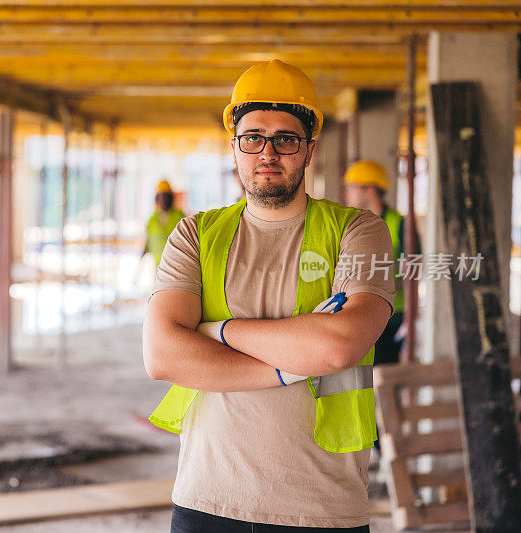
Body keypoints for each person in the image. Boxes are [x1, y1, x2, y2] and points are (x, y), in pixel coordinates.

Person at [143, 59, 395, 532]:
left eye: (286, 138)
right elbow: (161, 356)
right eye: (253, 136)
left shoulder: (358, 231)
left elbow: (337, 346)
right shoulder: (196, 234)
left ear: (309, 148)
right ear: (235, 147)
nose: (268, 152)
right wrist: (289, 365)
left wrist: (215, 331)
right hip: (205, 500)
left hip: (320, 506)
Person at [343, 160, 416, 367]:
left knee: (381, 376)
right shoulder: (351, 222)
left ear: (371, 190)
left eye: (351, 187)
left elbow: (412, 273)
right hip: (354, 311)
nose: (346, 193)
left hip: (390, 316)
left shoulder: (399, 223)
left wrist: (412, 319)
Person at [143, 180, 185, 268]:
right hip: (158, 270)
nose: (164, 200)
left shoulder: (180, 216)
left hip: (177, 269)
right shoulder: (152, 220)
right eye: (161, 196)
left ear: (171, 198)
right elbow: (147, 245)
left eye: (166, 196)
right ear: (157, 199)